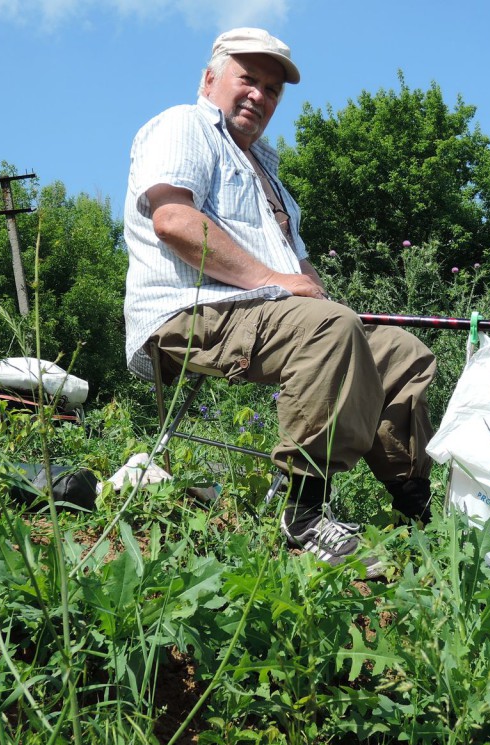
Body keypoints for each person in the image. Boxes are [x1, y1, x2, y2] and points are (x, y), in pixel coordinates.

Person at [123, 27, 435, 577]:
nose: (259, 96)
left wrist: (337, 312)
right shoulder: (182, 125)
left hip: (272, 314)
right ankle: (305, 513)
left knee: (401, 351)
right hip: (194, 310)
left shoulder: (266, 170)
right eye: (248, 79)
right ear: (210, 78)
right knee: (329, 329)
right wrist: (283, 285)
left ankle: (418, 513)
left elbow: (302, 273)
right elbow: (172, 221)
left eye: (272, 89)